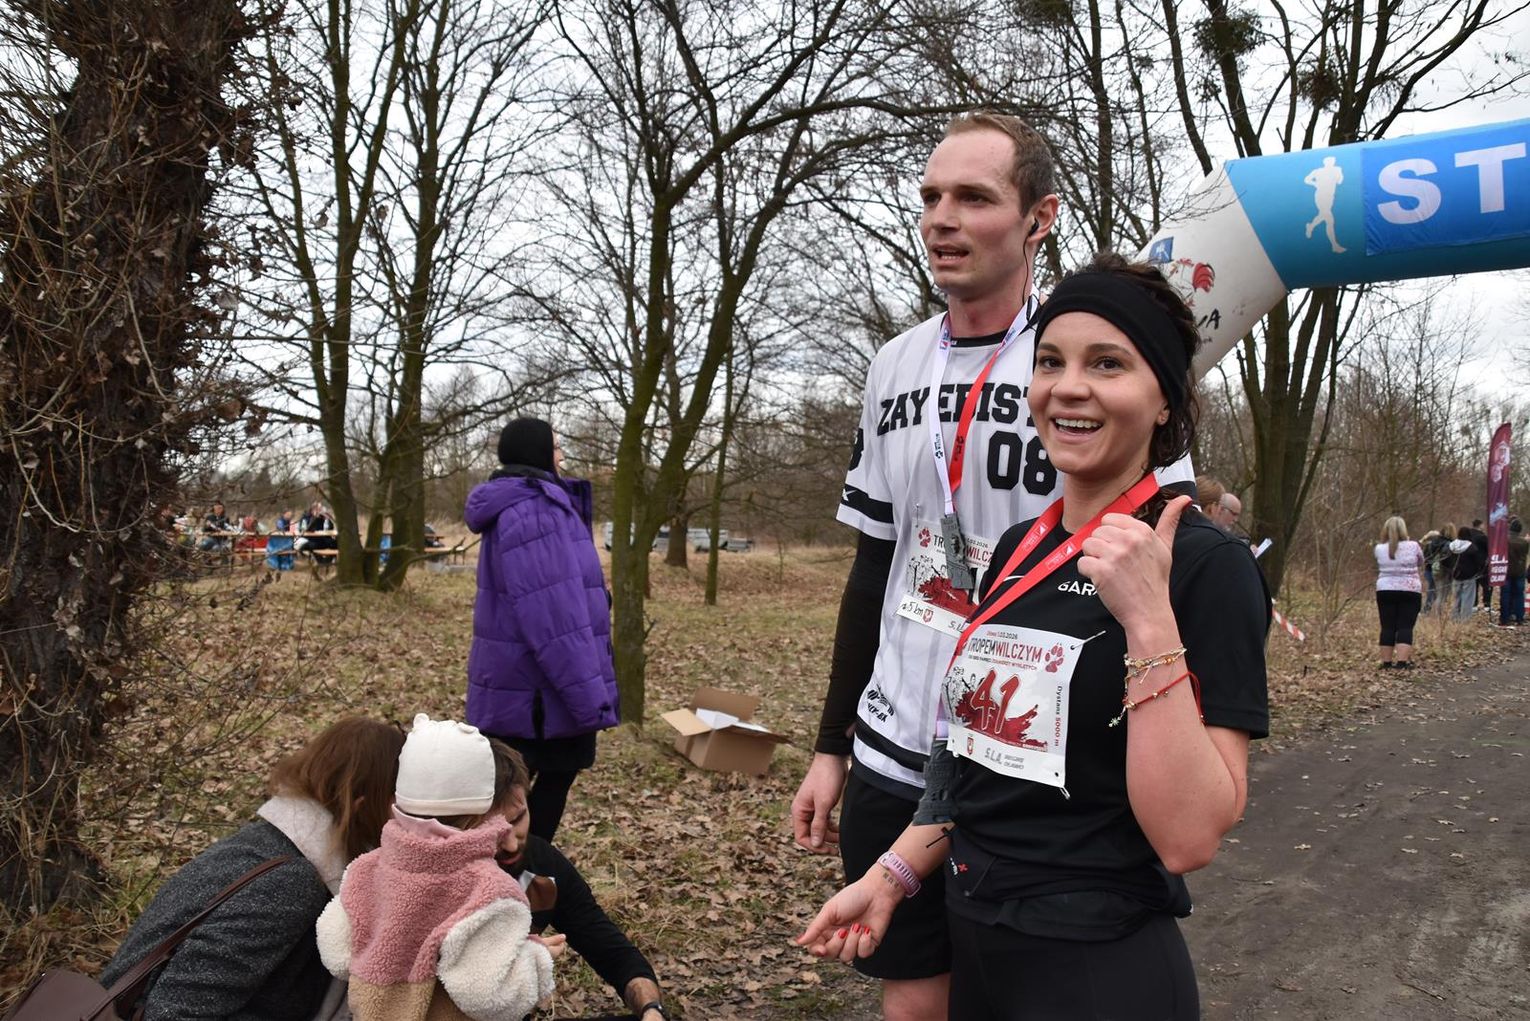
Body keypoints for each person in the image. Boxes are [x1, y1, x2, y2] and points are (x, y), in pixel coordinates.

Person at [789, 113, 1195, 1020]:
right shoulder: (894, 363)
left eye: (973, 197)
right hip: (897, 745)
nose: (942, 218)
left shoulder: (1083, 362)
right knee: (912, 1004)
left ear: (1039, 217)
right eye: (931, 196)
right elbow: (874, 567)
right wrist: (830, 744)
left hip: (1028, 760)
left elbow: (1157, 556)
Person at [100, 717, 405, 1021]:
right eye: (401, 802)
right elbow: (175, 1012)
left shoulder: (268, 842)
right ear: (363, 804)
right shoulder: (289, 881)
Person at [317, 714, 558, 1021]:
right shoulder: (489, 891)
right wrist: (536, 958)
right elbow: (488, 996)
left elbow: (337, 954)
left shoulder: (365, 869)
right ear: (484, 805)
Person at [466, 417, 618, 843]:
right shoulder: (534, 510)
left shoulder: (527, 504)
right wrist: (587, 695)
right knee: (524, 797)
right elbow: (552, 618)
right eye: (555, 446)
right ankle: (515, 870)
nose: (562, 455)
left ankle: (509, 869)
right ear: (537, 453)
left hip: (527, 686)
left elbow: (552, 596)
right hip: (539, 695)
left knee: (513, 795)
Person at [493, 745, 669, 1021]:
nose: (512, 843)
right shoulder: (435, 879)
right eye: (494, 831)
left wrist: (651, 1009)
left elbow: (613, 953)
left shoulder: (544, 866)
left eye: (517, 819)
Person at [1374, 516, 1424, 669]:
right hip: (1410, 589)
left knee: (1387, 626)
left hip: (1385, 589)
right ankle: (1402, 662)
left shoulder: (1379, 548)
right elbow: (1421, 561)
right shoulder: (1413, 546)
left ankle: (1386, 662)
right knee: (1405, 626)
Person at [1450, 525, 1483, 621]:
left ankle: (1454, 618)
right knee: (1467, 599)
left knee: (1456, 598)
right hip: (1469, 576)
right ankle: (1464, 620)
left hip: (1455, 575)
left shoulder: (1452, 546)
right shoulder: (1471, 547)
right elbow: (1478, 562)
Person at [1500, 518, 1528, 627]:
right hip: (1520, 571)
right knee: (1519, 595)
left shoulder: (1504, 540)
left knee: (1505, 594)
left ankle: (1504, 618)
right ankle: (1519, 617)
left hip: (1506, 570)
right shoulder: (1524, 542)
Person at [1470, 519, 1493, 614]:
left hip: (1471, 564)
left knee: (1474, 585)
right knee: (1486, 585)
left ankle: (1474, 605)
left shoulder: (1468, 535)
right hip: (1483, 564)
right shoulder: (1482, 537)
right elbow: (1490, 548)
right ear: (1480, 525)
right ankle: (1487, 605)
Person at [1420, 529, 1444, 612]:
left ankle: (1429, 607)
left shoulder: (1426, 546)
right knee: (1433, 590)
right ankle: (1428, 607)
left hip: (1428, 570)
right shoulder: (1433, 546)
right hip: (1433, 570)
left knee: (1432, 589)